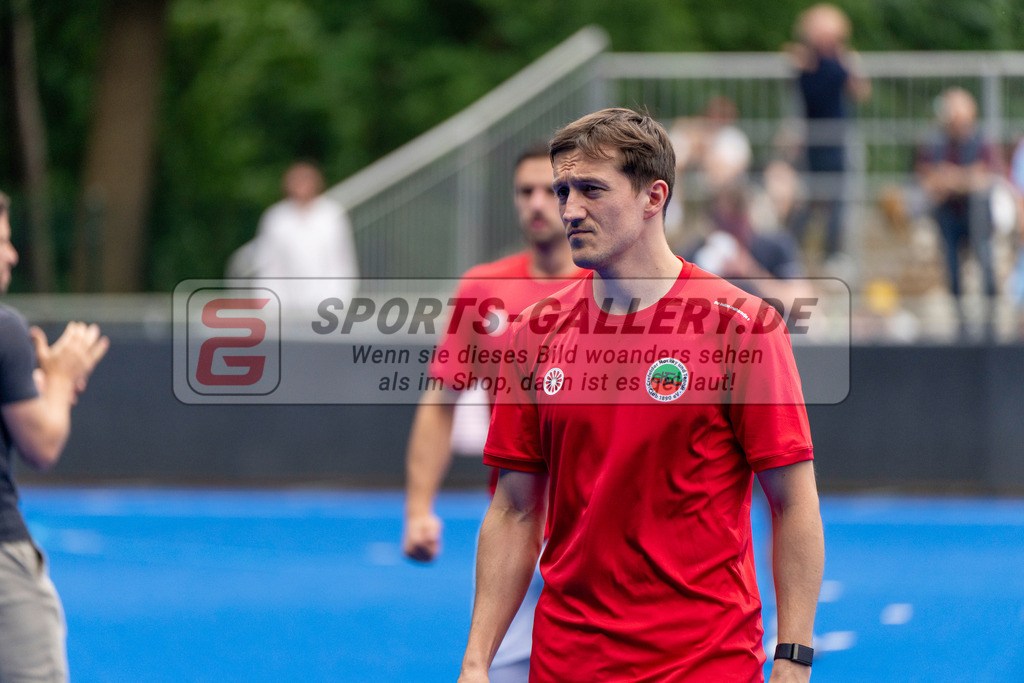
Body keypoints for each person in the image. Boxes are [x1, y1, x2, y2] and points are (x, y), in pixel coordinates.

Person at [458, 109, 824, 682]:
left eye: (591, 189)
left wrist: (793, 660)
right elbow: (514, 508)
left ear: (654, 197)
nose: (569, 209)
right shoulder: (533, 331)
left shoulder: (742, 325)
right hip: (565, 664)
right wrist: (477, 661)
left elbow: (794, 502)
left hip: (705, 664)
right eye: (563, 190)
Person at [401, 145, 585, 682]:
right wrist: (418, 509)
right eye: (524, 191)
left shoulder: (614, 287)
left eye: (551, 191)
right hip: (520, 527)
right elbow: (441, 403)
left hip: (601, 528)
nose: (537, 203)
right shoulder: (484, 289)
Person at [0, 190, 109, 681]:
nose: (12, 254)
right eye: (2, 241)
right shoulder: (5, 330)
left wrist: (29, 384)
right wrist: (61, 381)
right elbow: (41, 443)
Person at [786, 3, 871, 264]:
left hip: (836, 139)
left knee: (837, 199)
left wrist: (851, 66)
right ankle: (791, 250)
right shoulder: (803, 59)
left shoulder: (843, 60)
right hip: (812, 140)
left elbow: (862, 93)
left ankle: (832, 254)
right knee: (808, 200)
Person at [916, 87, 1000, 337]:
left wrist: (952, 179)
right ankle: (962, 324)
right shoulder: (935, 141)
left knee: (986, 265)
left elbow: (986, 176)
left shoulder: (981, 140)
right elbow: (927, 178)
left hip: (977, 215)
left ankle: (990, 322)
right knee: (952, 270)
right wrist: (959, 180)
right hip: (948, 215)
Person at [229, 161, 359, 315]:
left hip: (327, 304)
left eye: (306, 180)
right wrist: (269, 302)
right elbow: (266, 262)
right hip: (284, 306)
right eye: (296, 180)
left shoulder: (332, 215)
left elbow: (342, 261)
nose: (301, 186)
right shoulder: (276, 217)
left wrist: (341, 297)